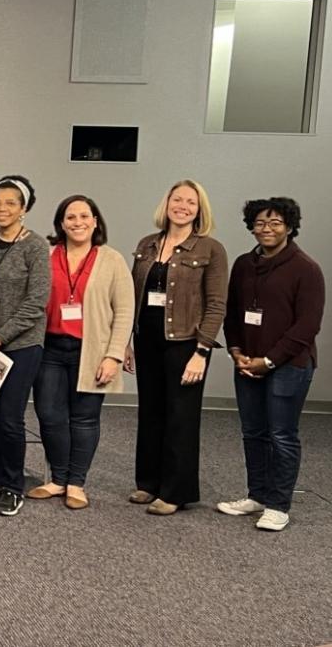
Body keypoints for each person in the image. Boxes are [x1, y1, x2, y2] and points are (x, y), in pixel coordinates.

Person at [217, 197, 325, 532]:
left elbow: (308, 326)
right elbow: (233, 312)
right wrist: (236, 351)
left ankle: (278, 505)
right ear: (251, 227)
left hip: (290, 365)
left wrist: (269, 361)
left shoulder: (306, 268)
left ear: (290, 227)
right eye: (260, 223)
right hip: (247, 363)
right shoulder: (243, 264)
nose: (267, 229)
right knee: (254, 433)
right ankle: (258, 496)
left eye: (275, 222)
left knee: (282, 435)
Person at [126, 180, 228, 515]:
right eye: (177, 199)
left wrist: (202, 351)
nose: (182, 206)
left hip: (186, 344)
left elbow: (217, 304)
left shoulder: (210, 249)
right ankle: (148, 484)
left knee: (180, 417)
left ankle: (175, 492)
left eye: (190, 202)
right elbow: (132, 297)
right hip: (146, 339)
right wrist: (126, 341)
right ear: (167, 203)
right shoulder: (147, 244)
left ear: (199, 210)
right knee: (150, 412)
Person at [28, 195, 133, 510]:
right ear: (61, 223)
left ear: (95, 221)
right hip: (50, 348)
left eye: (84, 216)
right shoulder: (47, 255)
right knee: (49, 415)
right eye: (70, 217)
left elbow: (124, 311)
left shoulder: (111, 259)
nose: (78, 223)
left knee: (84, 419)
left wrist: (114, 355)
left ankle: (76, 483)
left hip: (92, 350)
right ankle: (58, 479)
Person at [0, 175, 50, 517]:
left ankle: (13, 486)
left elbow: (36, 302)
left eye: (10, 203)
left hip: (22, 345)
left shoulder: (36, 247)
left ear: (24, 208)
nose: (2, 209)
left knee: (11, 417)